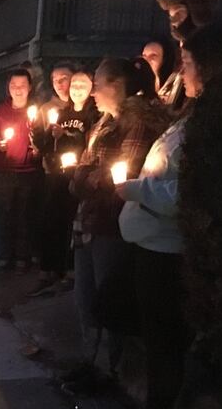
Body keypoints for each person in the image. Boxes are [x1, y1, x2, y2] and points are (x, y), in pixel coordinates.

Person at [116, 22, 222, 409]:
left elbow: (192, 193)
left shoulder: (215, 124)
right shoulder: (195, 115)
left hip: (167, 252)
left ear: (210, 67)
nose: (182, 73)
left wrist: (137, 189)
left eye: (187, 63)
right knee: (146, 331)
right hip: (151, 244)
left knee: (165, 343)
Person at [62, 57, 172, 393]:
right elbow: (85, 172)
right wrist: (87, 177)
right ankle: (91, 362)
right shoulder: (104, 123)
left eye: (97, 85)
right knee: (85, 299)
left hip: (111, 225)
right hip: (87, 220)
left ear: (118, 85)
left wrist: (90, 178)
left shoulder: (136, 124)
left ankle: (111, 371)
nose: (92, 92)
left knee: (107, 299)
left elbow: (121, 180)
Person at [28, 69, 99, 296]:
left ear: (91, 88)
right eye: (74, 85)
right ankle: (48, 270)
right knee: (51, 220)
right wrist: (39, 134)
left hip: (77, 176)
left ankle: (68, 271)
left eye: (82, 85)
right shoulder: (62, 113)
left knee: (70, 224)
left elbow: (89, 143)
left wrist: (67, 137)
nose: (76, 89)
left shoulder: (93, 115)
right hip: (57, 175)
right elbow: (48, 145)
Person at [0, 69, 44, 273]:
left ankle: (22, 255)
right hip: (5, 173)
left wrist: (38, 148)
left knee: (25, 215)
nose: (18, 90)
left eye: (22, 85)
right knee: (5, 214)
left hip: (29, 171)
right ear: (8, 88)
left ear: (30, 87)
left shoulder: (36, 112)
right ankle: (5, 254)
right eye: (13, 85)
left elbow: (43, 140)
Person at [155, 0, 216, 110]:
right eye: (171, 17)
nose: (174, 23)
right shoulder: (178, 62)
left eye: (178, 13)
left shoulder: (211, 53)